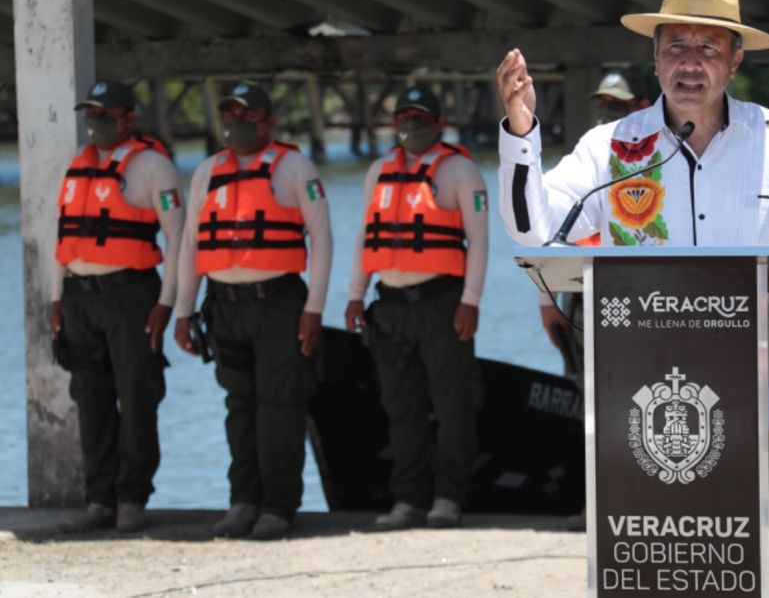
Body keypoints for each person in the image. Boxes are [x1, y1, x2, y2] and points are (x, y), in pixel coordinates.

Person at [495, 0, 769, 597]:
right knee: (655, 575)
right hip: (643, 407)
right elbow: (535, 229)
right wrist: (522, 135)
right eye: (676, 47)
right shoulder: (612, 147)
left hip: (765, 402)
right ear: (655, 58)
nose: (690, 63)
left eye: (708, 47)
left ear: (735, 60)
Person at [173, 83, 332, 540]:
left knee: (280, 407)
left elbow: (322, 239)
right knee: (238, 406)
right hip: (223, 306)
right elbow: (190, 244)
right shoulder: (207, 172)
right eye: (230, 113)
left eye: (247, 114)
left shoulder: (295, 168)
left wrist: (314, 308)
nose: (237, 122)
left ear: (268, 122)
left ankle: (278, 507)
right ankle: (243, 501)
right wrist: (183, 310)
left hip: (278, 304)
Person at [345, 86, 487, 531]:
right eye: (404, 116)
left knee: (451, 405)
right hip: (388, 306)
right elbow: (365, 234)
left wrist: (470, 301)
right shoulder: (379, 171)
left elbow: (480, 241)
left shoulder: (460, 171)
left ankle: (449, 497)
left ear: (439, 123)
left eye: (420, 117)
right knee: (400, 406)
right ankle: (408, 499)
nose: (411, 124)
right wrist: (355, 294)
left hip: (441, 303)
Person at [51, 80, 184, 534]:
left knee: (138, 397)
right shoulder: (78, 164)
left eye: (106, 114)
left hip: (131, 296)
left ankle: (132, 498)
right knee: (91, 401)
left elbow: (179, 239)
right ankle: (99, 500)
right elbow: (63, 234)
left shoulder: (153, 167)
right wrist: (56, 296)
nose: (96, 122)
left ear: (129, 118)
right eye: (91, 113)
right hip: (79, 299)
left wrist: (167, 303)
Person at [538, 71, 648, 532]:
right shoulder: (580, 161)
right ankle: (598, 504)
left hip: (642, 302)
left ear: (641, 106)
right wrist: (546, 298)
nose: (607, 113)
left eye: (617, 105)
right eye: (602, 104)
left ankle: (645, 502)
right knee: (594, 408)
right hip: (584, 300)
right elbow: (545, 230)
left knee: (642, 404)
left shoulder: (660, 161)